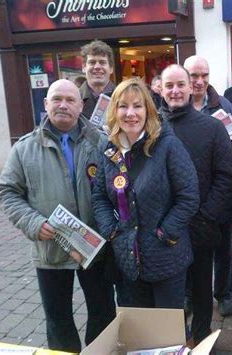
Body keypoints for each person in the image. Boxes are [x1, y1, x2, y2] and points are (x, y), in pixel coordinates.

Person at [0, 79, 116, 353]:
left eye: (70, 99)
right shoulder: (24, 148)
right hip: (50, 251)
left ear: (80, 105)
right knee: (58, 319)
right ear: (46, 104)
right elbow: (7, 192)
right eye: (56, 99)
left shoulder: (101, 142)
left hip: (94, 249)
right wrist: (33, 223)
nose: (63, 104)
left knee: (103, 312)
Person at [91, 78, 199, 310]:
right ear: (114, 111)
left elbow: (189, 197)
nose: (130, 113)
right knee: (139, 329)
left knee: (168, 332)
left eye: (137, 106)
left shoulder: (168, 146)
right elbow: (99, 195)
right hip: (127, 258)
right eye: (123, 106)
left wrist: (164, 233)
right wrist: (111, 231)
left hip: (165, 256)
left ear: (148, 110)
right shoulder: (109, 149)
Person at [160, 64, 232, 345]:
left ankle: (203, 341)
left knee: (202, 291)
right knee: (171, 292)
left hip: (200, 227)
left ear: (190, 86)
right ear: (160, 88)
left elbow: (226, 177)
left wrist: (205, 217)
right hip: (162, 231)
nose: (176, 90)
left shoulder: (213, 127)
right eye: (169, 85)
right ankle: (173, 343)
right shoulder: (151, 126)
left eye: (181, 84)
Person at [183, 55, 232, 317]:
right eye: (193, 76)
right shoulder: (176, 105)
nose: (199, 81)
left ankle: (224, 293)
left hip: (218, 192)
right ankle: (189, 295)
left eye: (203, 75)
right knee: (187, 247)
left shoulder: (225, 107)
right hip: (184, 195)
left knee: (222, 246)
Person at [79, 40, 115, 119]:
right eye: (92, 62)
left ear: (111, 68)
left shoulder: (122, 97)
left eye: (102, 62)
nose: (97, 67)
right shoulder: (74, 99)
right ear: (84, 67)